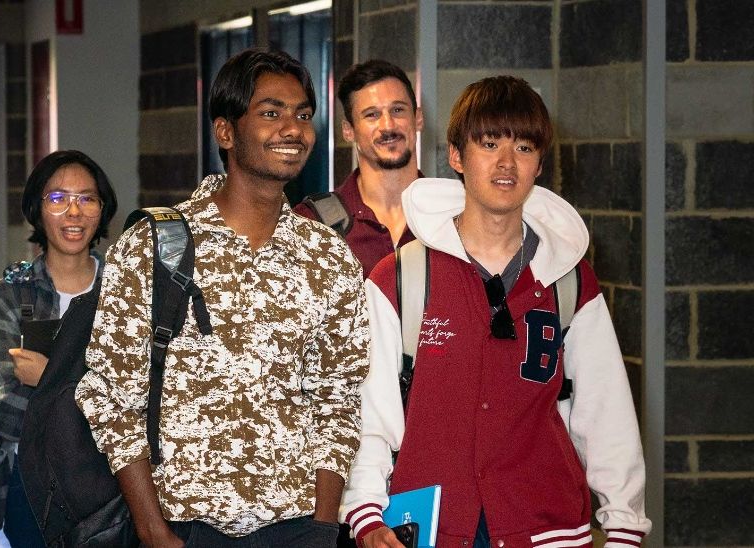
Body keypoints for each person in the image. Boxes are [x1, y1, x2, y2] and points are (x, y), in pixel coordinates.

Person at [342, 76, 651, 548]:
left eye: (524, 147)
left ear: (539, 164)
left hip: (548, 531)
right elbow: (370, 414)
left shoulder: (569, 280)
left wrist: (625, 526)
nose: (507, 163)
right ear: (456, 156)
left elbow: (607, 415)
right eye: (489, 144)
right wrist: (365, 514)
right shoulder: (400, 279)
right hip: (431, 530)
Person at [76, 48, 368, 547]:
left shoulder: (328, 256)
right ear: (226, 131)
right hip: (183, 527)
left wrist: (322, 528)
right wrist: (152, 530)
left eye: (303, 115)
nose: (293, 130)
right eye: (271, 113)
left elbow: (337, 398)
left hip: (294, 526)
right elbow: (110, 396)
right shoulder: (155, 245)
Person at [0, 150, 119, 547]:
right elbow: (4, 414)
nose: (74, 211)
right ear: (38, 211)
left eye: (87, 198)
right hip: (29, 483)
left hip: (118, 484)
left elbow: (146, 407)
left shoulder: (127, 294)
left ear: (102, 209)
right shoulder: (8, 298)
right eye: (58, 199)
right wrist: (93, 396)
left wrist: (48, 377)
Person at [191, 59, 422, 278]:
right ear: (348, 130)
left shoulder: (451, 213)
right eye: (372, 115)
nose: (388, 125)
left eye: (398, 110)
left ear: (418, 118)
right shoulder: (313, 223)